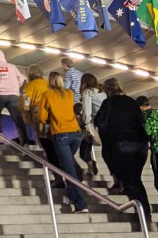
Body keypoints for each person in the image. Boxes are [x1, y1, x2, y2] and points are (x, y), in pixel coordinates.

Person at [94, 78, 151, 221]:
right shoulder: (132, 102)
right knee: (135, 179)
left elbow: (100, 123)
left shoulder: (108, 103)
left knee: (131, 181)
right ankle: (143, 212)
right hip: (140, 146)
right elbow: (143, 122)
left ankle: (144, 214)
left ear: (106, 90)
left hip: (122, 145)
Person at [37, 71, 89, 213]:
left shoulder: (47, 95)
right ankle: (74, 192)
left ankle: (81, 204)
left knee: (68, 170)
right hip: (76, 133)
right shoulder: (69, 93)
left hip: (61, 134)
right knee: (69, 163)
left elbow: (41, 116)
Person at [0, 48, 29, 145]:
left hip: (1, 95)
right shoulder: (12, 66)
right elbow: (22, 78)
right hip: (14, 94)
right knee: (18, 118)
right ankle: (25, 142)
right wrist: (15, 86)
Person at [80, 73, 106, 178]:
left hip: (95, 124)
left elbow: (87, 111)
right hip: (106, 124)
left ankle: (91, 164)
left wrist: (86, 124)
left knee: (84, 150)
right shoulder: (102, 91)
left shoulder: (88, 92)